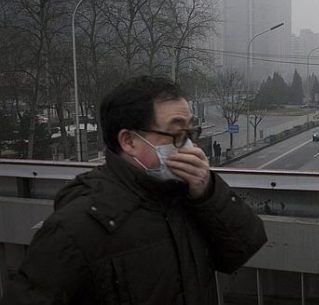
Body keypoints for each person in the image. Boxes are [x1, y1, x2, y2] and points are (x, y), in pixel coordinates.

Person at [1, 76, 267, 305]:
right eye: (176, 135)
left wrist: (207, 191)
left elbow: (242, 250)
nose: (190, 148)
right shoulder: (76, 225)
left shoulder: (187, 196)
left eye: (190, 134)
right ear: (129, 141)